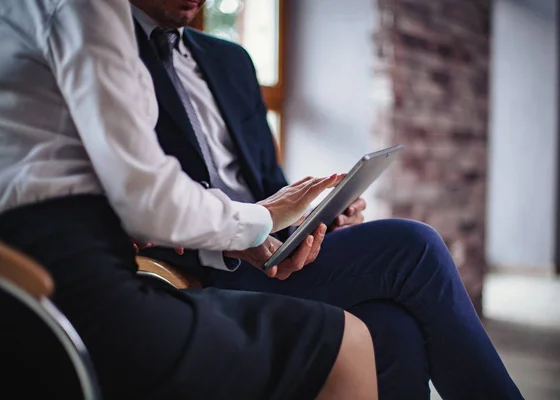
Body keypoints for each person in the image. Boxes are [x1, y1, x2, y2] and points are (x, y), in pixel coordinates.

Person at [130, 1, 525, 399]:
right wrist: (242, 231)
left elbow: (269, 180)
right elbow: (131, 195)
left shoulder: (229, 60)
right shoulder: (106, 54)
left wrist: (320, 215)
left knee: (391, 328)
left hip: (272, 253)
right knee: (416, 248)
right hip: (199, 262)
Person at [0, 1, 380, 399]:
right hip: (72, 290)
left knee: (386, 324)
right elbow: (147, 198)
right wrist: (261, 217)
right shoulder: (88, 8)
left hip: (28, 276)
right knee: (348, 341)